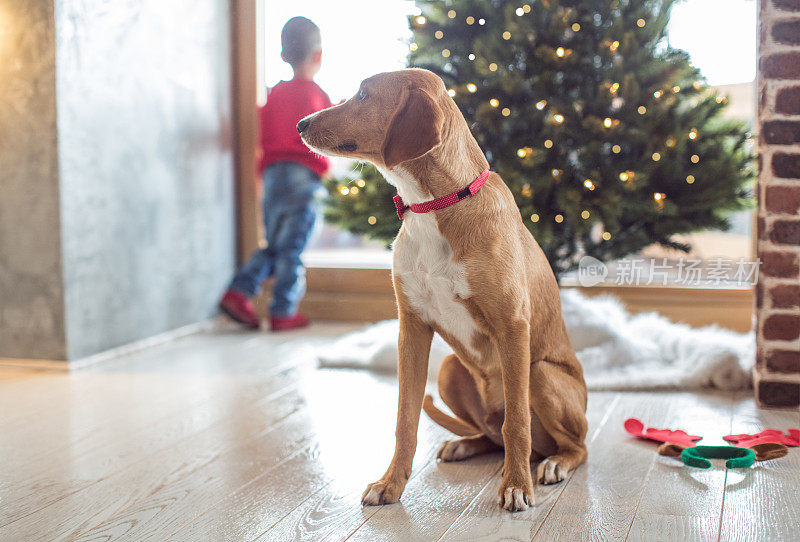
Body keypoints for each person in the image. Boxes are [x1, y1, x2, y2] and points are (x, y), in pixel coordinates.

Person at [220, 16, 332, 331]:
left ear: (283, 56)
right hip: (303, 176)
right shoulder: (316, 95)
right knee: (292, 249)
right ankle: (283, 312)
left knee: (275, 245)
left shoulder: (273, 95)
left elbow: (261, 128)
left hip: (271, 177)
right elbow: (323, 138)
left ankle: (238, 292)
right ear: (318, 55)